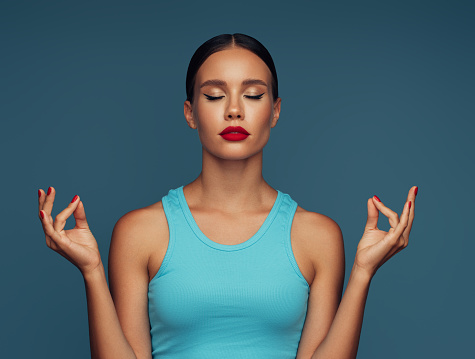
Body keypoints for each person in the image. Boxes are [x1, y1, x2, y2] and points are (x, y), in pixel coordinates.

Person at [37, 33, 418, 359]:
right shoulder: (141, 231)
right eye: (215, 96)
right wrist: (92, 272)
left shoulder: (317, 236)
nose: (234, 110)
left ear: (275, 111)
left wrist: (363, 273)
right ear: (190, 112)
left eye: (253, 95)